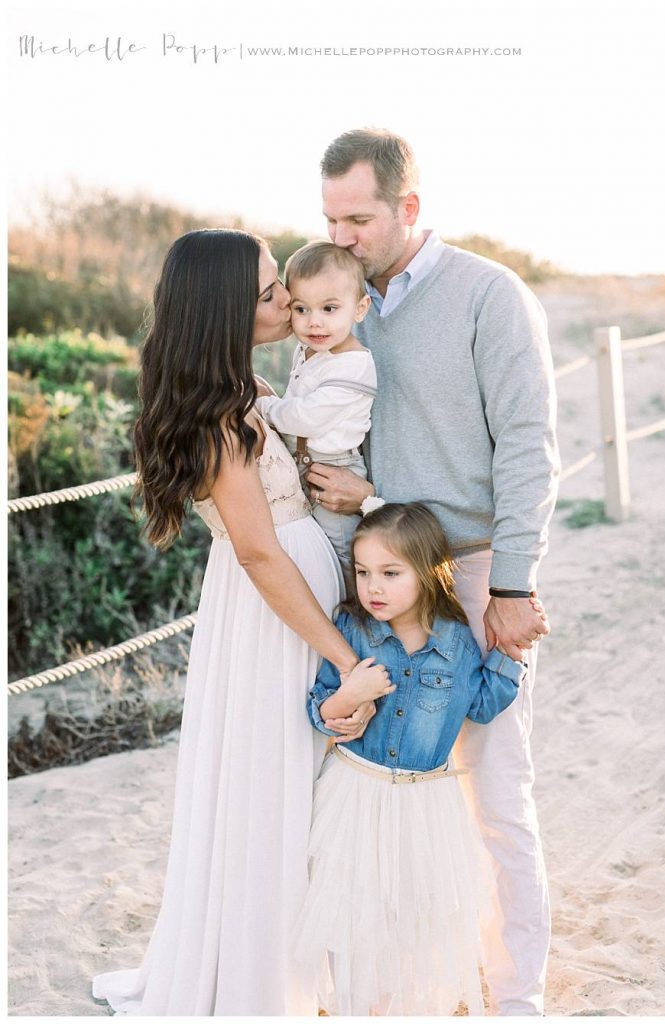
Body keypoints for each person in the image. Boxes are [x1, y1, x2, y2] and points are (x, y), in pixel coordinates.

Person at [91, 229, 386, 1016]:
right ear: (223, 309)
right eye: (265, 293)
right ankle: (260, 980)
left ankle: (295, 961)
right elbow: (258, 553)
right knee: (272, 787)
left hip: (286, 599)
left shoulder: (246, 387)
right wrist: (342, 657)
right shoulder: (221, 416)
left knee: (294, 785)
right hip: (273, 618)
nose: (285, 301)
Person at [305, 128, 560, 1016]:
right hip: (378, 580)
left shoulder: (489, 295)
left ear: (409, 208)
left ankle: (514, 995)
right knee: (374, 773)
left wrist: (517, 585)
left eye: (360, 218)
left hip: (476, 573)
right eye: (330, 217)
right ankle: (402, 977)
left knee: (494, 789)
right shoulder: (341, 305)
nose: (341, 236)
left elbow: (529, 446)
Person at [293, 501, 530, 1015]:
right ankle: (357, 1007)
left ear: (426, 572)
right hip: (357, 791)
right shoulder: (351, 629)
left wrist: (512, 651)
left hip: (426, 804)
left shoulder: (456, 641)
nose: (372, 587)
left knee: (416, 912)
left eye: (390, 573)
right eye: (362, 572)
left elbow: (482, 705)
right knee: (356, 906)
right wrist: (351, 691)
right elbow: (321, 712)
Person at [256, 240, 376, 587]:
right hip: (309, 466)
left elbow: (306, 417)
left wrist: (264, 406)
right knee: (311, 554)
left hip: (335, 468)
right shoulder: (311, 350)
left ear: (360, 308)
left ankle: (348, 615)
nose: (315, 323)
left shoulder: (353, 365)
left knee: (340, 557)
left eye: (329, 308)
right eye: (301, 309)